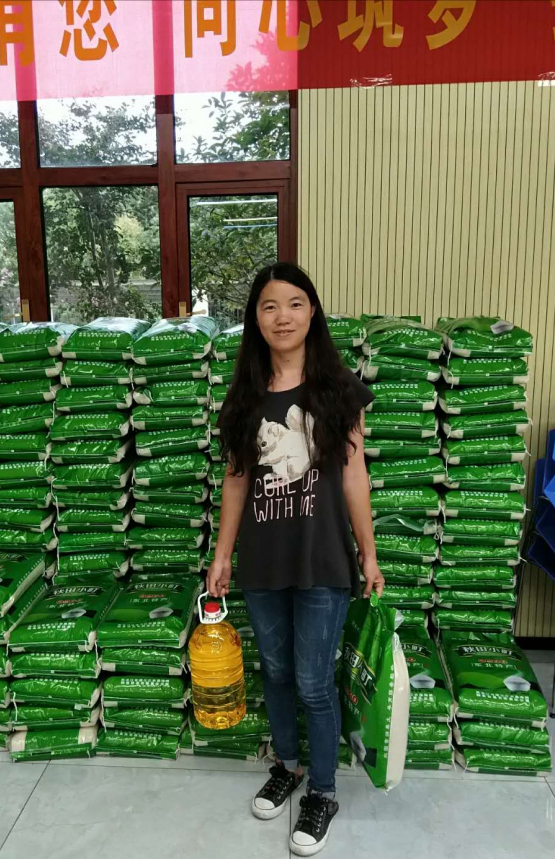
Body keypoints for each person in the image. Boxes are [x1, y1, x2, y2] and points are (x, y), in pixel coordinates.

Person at [207, 262, 384, 857]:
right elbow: (237, 479)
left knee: (313, 681)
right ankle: (288, 765)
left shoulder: (338, 388)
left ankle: (323, 791)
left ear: (312, 313)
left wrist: (369, 554)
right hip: (264, 561)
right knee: (277, 672)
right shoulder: (245, 395)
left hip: (323, 558)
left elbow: (355, 475)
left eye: (294, 304)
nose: (282, 316)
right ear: (255, 319)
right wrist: (223, 555)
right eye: (269, 306)